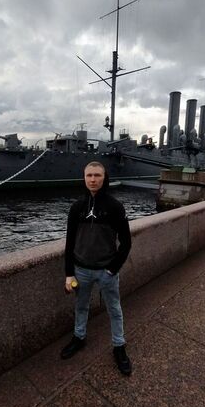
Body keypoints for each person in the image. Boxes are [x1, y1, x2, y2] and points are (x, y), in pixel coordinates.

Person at [61, 161, 132, 375]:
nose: (93, 179)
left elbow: (126, 242)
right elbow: (69, 243)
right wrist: (69, 273)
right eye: (89, 175)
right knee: (81, 306)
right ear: (84, 178)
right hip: (81, 270)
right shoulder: (76, 207)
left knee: (114, 309)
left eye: (97, 175)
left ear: (104, 177)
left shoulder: (115, 207)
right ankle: (79, 337)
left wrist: (112, 269)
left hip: (106, 271)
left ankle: (119, 346)